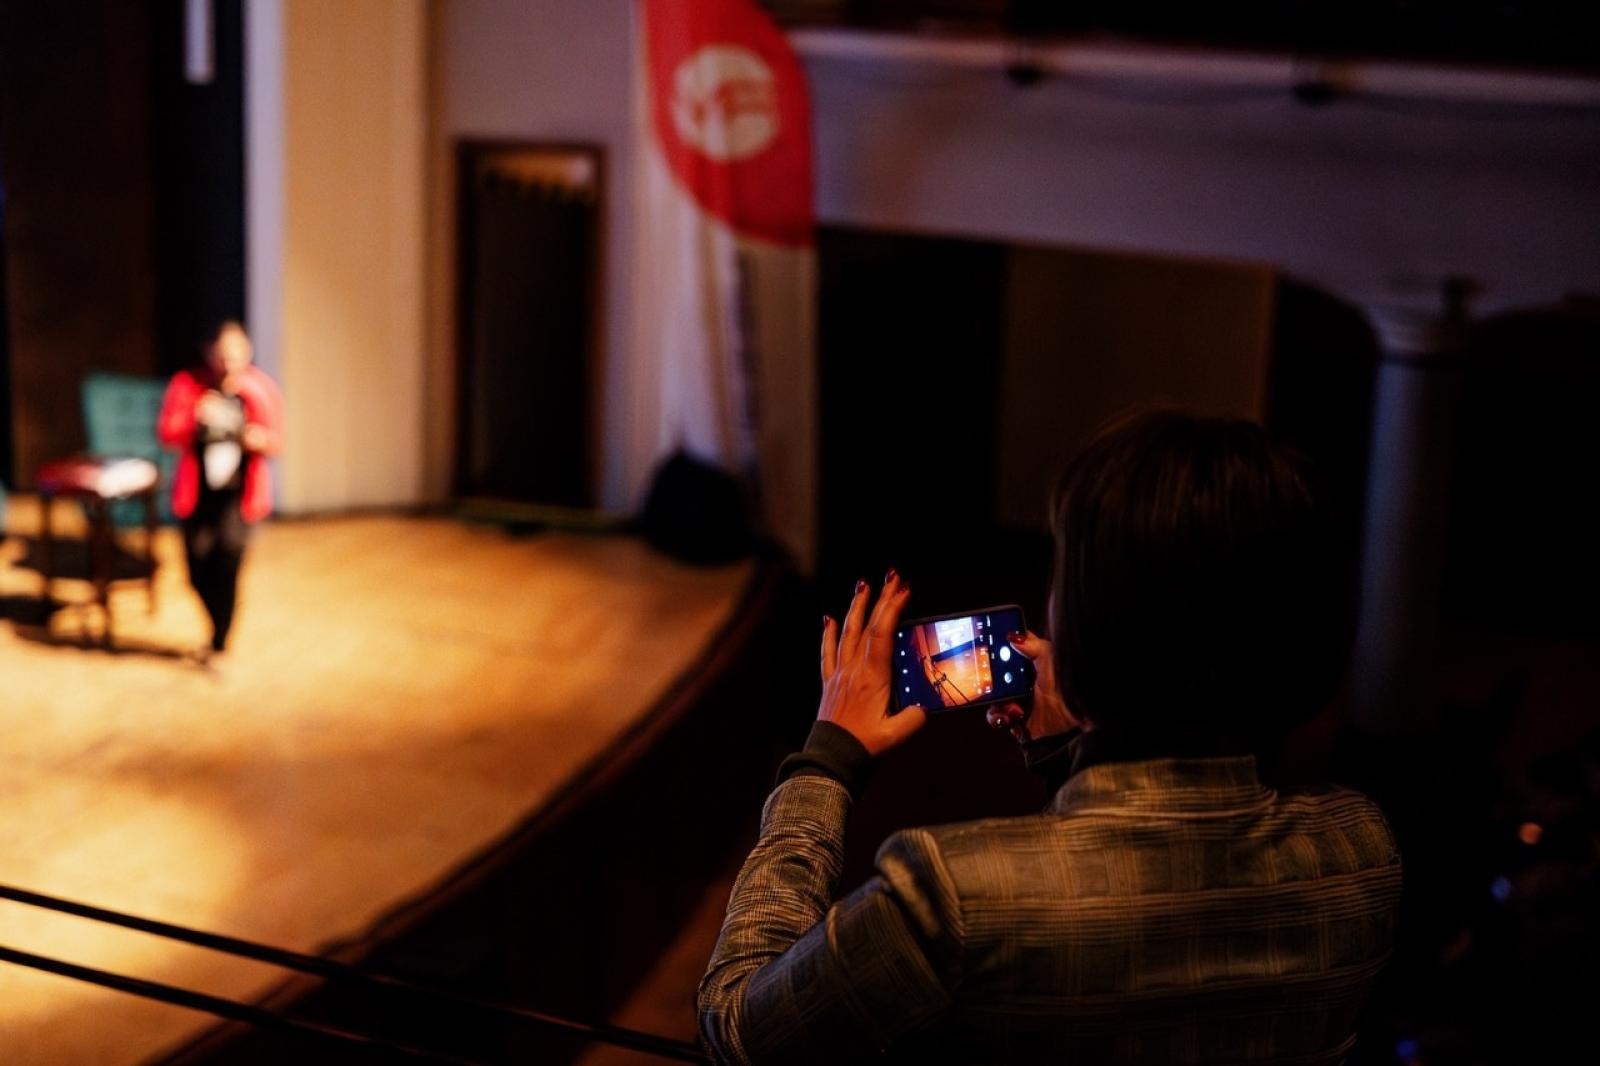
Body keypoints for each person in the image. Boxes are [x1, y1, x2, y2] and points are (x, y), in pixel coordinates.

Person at [699, 411, 1401, 1064]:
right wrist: (1082, 747)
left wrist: (825, 763)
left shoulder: (955, 897)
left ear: (1096, 624)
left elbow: (739, 1031)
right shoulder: (1362, 851)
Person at [157, 320, 283, 660]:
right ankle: (217, 626)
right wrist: (195, 418)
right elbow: (167, 433)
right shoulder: (188, 385)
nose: (230, 362)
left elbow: (276, 441)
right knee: (197, 570)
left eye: (238, 353)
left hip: (238, 496)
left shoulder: (260, 389)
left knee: (228, 565)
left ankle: (220, 640)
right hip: (198, 494)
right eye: (224, 354)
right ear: (210, 352)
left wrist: (257, 439)